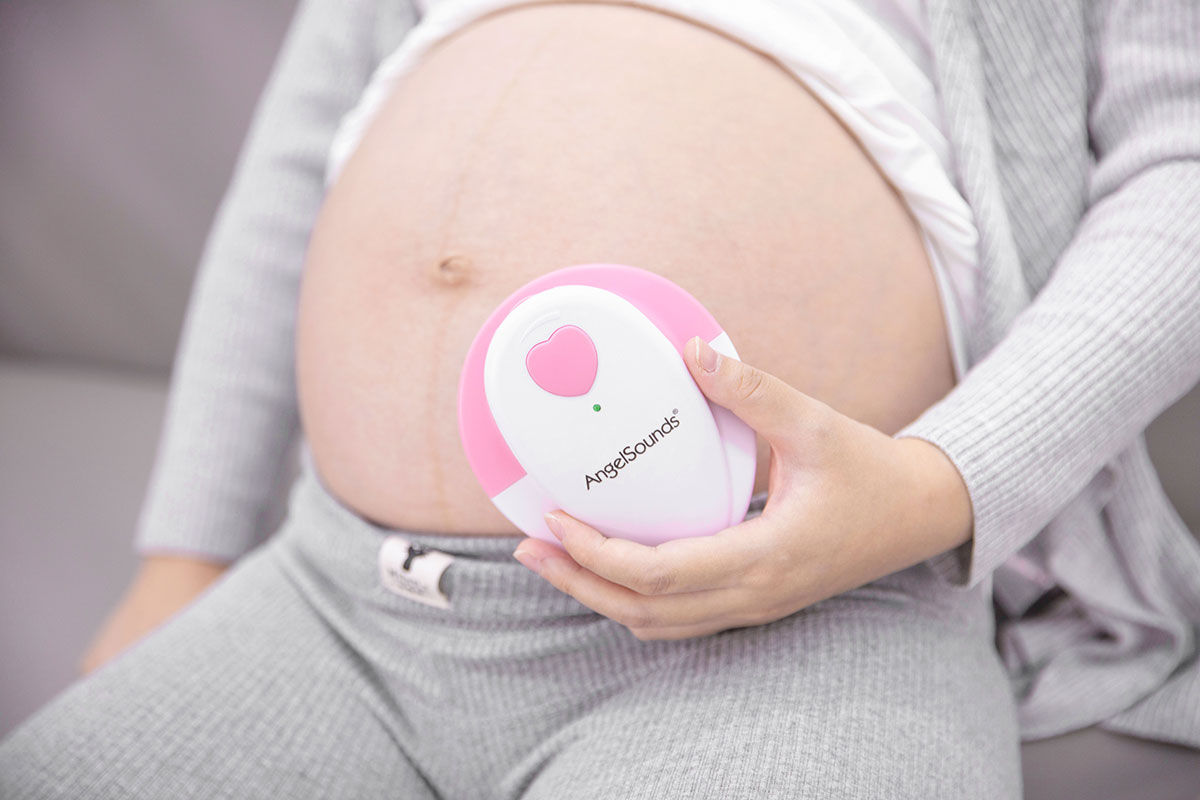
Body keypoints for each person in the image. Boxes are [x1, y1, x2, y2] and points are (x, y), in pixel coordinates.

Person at [2, 0, 1198, 797]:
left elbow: (1184, 163)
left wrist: (936, 487)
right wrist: (186, 554)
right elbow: (295, 159)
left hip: (808, 619)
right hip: (335, 598)